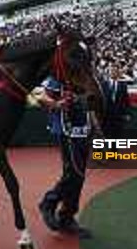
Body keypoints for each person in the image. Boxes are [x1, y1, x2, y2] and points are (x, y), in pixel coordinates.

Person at [33, 75, 101, 239]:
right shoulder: (59, 77)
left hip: (84, 132)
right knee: (74, 173)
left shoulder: (87, 77)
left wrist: (96, 126)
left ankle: (67, 217)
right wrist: (57, 104)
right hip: (67, 132)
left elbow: (89, 105)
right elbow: (41, 97)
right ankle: (49, 202)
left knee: (79, 176)